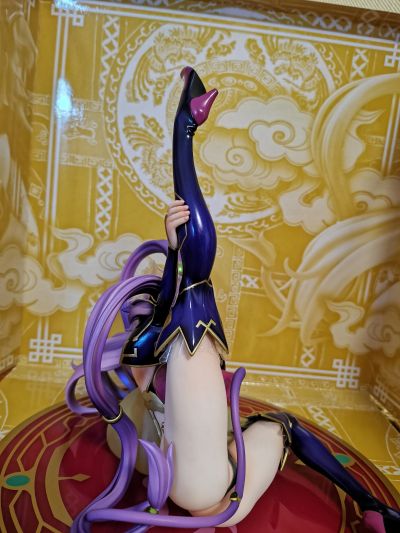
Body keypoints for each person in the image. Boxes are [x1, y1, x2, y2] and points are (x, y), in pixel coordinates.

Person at [71, 67, 400, 532]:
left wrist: (172, 248)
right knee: (282, 426)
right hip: (215, 496)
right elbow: (192, 268)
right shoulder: (158, 351)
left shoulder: (149, 358)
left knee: (250, 423)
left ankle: (369, 501)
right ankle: (370, 501)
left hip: (194, 477)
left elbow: (186, 272)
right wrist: (183, 145)